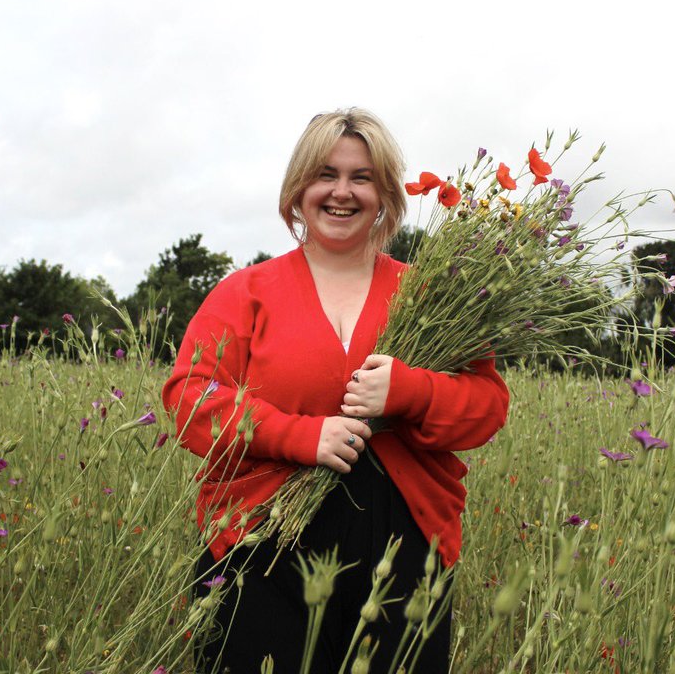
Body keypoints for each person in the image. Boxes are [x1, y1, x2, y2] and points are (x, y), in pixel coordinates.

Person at [161, 108, 510, 673]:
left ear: (385, 194)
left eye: (361, 177)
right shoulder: (246, 292)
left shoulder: (431, 298)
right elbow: (189, 397)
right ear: (299, 188)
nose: (341, 192)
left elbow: (488, 406)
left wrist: (412, 392)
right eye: (326, 174)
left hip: (404, 551)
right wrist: (299, 434)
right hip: (260, 548)